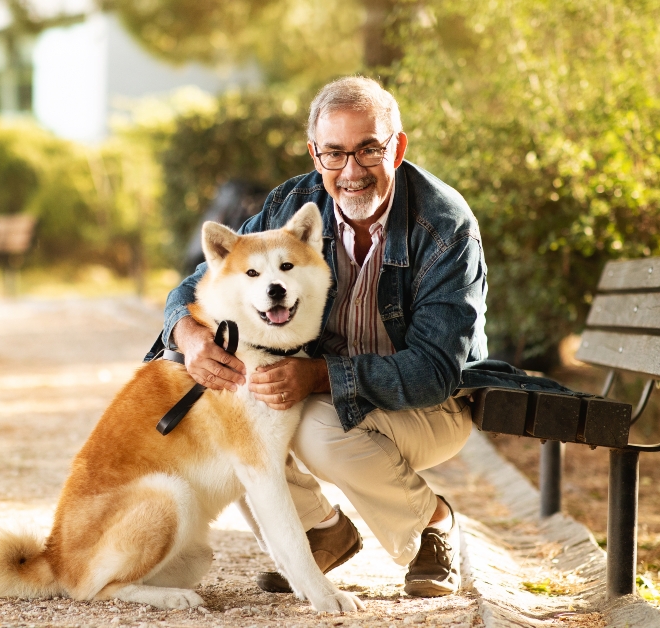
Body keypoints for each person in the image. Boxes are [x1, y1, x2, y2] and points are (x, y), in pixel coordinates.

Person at [161, 76, 487, 597]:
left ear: (397, 147)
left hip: (434, 406)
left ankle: (432, 523)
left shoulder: (444, 227)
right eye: (334, 153)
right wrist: (188, 334)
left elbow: (435, 372)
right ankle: (322, 529)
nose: (352, 171)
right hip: (327, 391)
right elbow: (202, 282)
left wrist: (317, 375)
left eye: (368, 150)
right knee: (231, 409)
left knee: (311, 424)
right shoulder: (294, 203)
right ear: (316, 155)